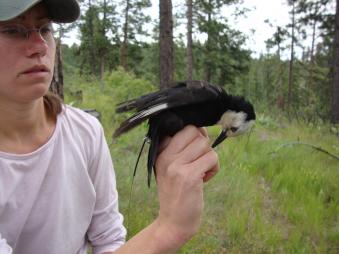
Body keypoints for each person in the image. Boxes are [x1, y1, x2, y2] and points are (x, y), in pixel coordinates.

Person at [0, 0, 220, 253]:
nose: (39, 46)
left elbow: (108, 238)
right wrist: (168, 229)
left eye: (46, 28)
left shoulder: (85, 132)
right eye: (13, 30)